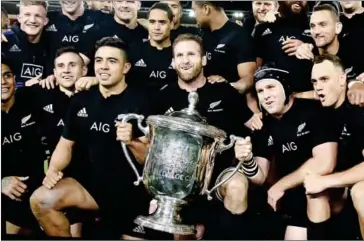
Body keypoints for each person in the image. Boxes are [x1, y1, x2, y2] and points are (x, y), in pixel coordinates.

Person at [125, 33, 264, 240]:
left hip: (217, 176)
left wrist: (256, 130)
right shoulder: (162, 97)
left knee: (237, 185)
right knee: (185, 234)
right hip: (177, 180)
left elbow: (252, 124)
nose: (185, 60)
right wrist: (130, 141)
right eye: (180, 55)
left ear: (204, 59)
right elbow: (147, 148)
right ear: (173, 62)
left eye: (191, 54)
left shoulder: (224, 92)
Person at [29, 37, 153, 239]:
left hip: (130, 194)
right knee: (41, 199)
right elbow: (66, 144)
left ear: (126, 67)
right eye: (99, 60)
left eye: (112, 61)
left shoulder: (141, 102)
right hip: (91, 189)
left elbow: (149, 158)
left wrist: (132, 141)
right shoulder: (81, 100)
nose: (103, 67)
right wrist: (52, 171)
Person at [253, 66, 339, 239]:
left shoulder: (314, 111)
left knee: (315, 190)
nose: (266, 95)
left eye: (271, 87)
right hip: (294, 198)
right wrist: (247, 160)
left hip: (329, 190)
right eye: (260, 91)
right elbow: (259, 176)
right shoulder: (263, 125)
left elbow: (324, 163)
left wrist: (281, 185)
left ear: (286, 88)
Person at [304, 54, 364, 239]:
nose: (318, 86)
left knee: (360, 192)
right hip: (341, 189)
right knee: (315, 192)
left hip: (357, 184)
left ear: (342, 79)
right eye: (314, 81)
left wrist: (326, 181)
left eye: (324, 79)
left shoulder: (358, 110)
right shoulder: (321, 114)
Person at [1, 60, 46, 236]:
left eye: (7, 75)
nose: (3, 82)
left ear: (15, 79)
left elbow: (65, 82)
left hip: (38, 190)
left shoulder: (30, 98)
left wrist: (94, 80)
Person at [191, 1, 258, 113]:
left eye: (194, 10)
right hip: (202, 105)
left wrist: (226, 87)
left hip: (230, 108)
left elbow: (249, 79)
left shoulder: (239, 36)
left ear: (206, 9)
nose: (194, 15)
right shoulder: (201, 33)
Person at [295, 4, 364, 107]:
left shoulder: (355, 51)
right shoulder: (305, 58)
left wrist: (358, 84)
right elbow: (293, 97)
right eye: (313, 26)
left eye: (323, 25)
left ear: (338, 27)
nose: (316, 32)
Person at [254, 1, 314, 97]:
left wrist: (309, 50)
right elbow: (256, 69)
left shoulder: (314, 27)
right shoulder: (264, 28)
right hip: (274, 101)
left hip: (308, 99)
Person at [127, 2, 177, 92]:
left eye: (162, 22)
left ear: (172, 24)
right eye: (152, 22)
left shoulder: (180, 53)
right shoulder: (134, 50)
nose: (156, 27)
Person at [1, 0, 49, 88]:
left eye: (38, 15)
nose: (32, 20)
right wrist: (23, 85)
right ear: (19, 18)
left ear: (45, 21)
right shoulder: (4, 41)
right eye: (27, 15)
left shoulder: (51, 44)